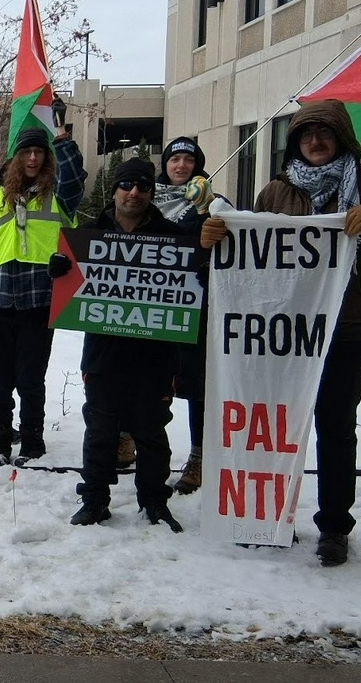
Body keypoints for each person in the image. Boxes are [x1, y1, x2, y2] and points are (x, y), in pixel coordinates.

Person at [202, 99, 361, 566]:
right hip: (285, 328)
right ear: (294, 143)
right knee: (274, 421)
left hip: (349, 325)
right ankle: (265, 518)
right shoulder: (275, 192)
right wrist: (216, 238)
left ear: (342, 138)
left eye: (324, 132)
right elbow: (253, 258)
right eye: (306, 134)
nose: (315, 141)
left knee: (335, 424)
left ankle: (334, 527)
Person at [55, 158, 184, 531]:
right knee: (100, 430)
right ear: (114, 191)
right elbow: (70, 292)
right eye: (127, 185)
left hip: (155, 354)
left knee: (152, 432)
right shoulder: (88, 236)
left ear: (151, 192)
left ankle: (154, 502)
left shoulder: (174, 237)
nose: (134, 192)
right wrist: (58, 273)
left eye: (143, 186)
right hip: (103, 353)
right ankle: (94, 500)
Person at [0, 123, 86, 467]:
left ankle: (32, 442)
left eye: (39, 152)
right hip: (1, 298)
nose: (33, 158)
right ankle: (0, 442)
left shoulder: (57, 193)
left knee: (31, 379)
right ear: (16, 157)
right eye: (27, 152)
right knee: (0, 381)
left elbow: (75, 181)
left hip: (40, 297)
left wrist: (62, 141)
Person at [150, 137, 214, 490]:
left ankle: (199, 457)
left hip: (194, 308)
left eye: (189, 159)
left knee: (196, 385)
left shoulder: (210, 202)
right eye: (175, 159)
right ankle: (134, 442)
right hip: (150, 308)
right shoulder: (147, 198)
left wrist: (208, 212)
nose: (181, 165)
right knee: (146, 381)